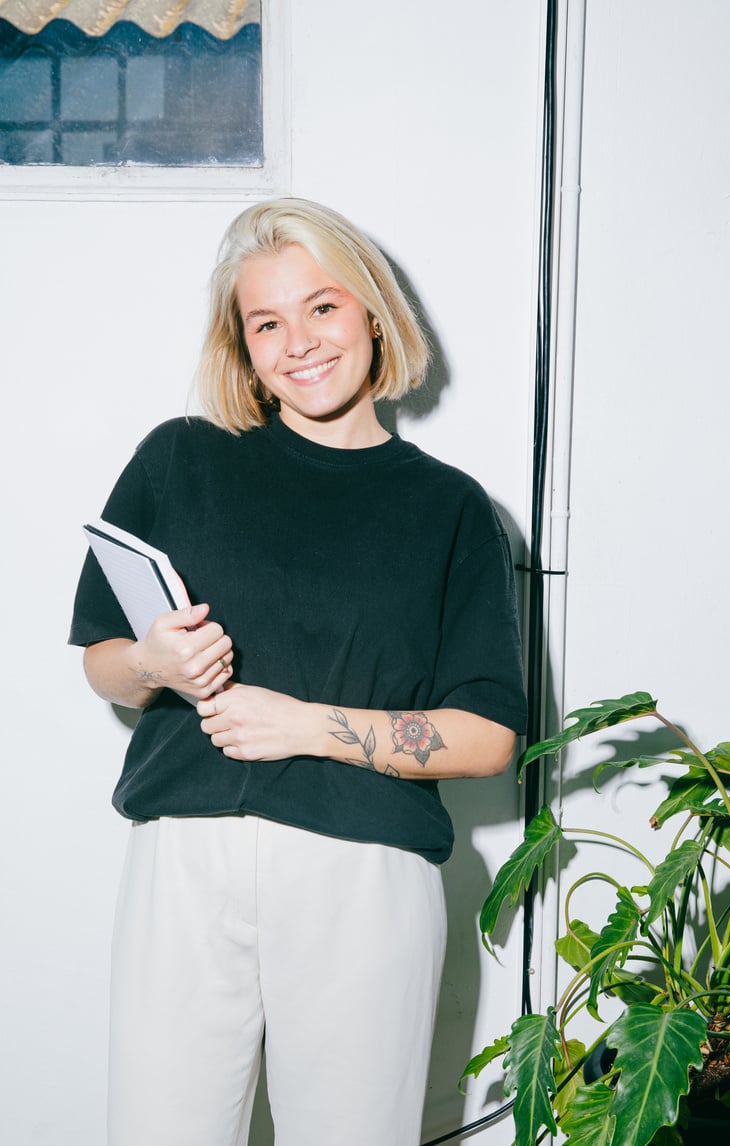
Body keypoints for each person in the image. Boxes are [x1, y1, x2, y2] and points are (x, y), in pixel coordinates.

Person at [69, 198, 527, 1146]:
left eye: (321, 307)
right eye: (266, 322)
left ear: (372, 312)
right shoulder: (179, 459)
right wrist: (154, 661)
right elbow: (102, 665)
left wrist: (306, 725)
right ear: (242, 342)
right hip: (183, 864)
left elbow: (489, 738)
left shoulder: (448, 510)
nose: (298, 343)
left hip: (363, 876)